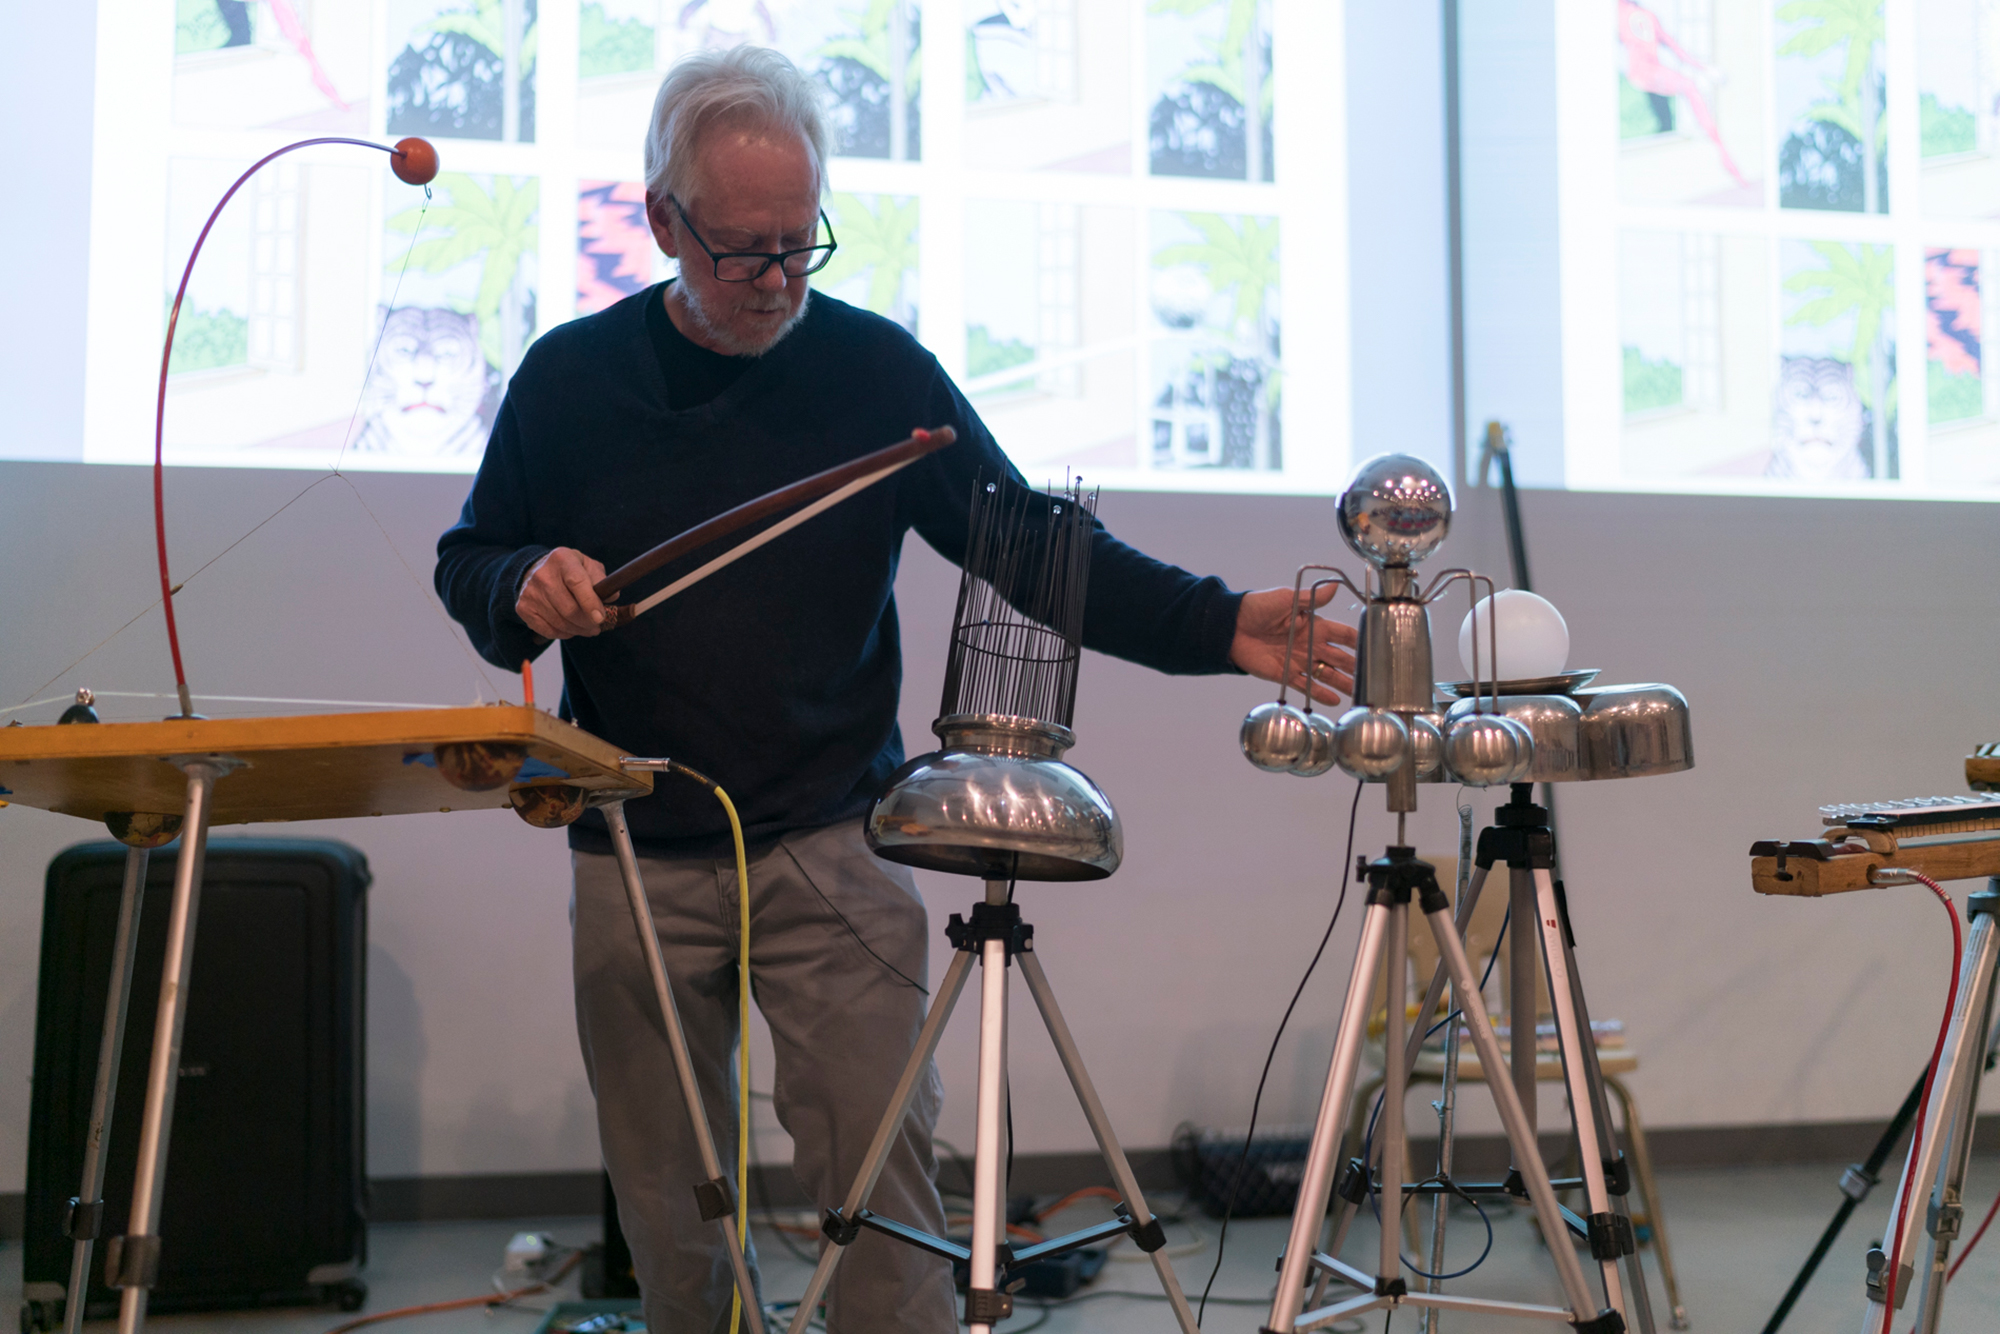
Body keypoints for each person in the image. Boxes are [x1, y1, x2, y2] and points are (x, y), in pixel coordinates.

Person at [434, 43, 1354, 1334]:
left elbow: (1025, 543)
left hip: (829, 832)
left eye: (800, 244)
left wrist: (1214, 622)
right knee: (666, 1191)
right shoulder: (571, 379)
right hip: (635, 837)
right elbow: (470, 560)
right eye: (740, 248)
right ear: (661, 222)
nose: (772, 280)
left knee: (883, 1180)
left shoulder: (873, 374)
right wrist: (520, 579)